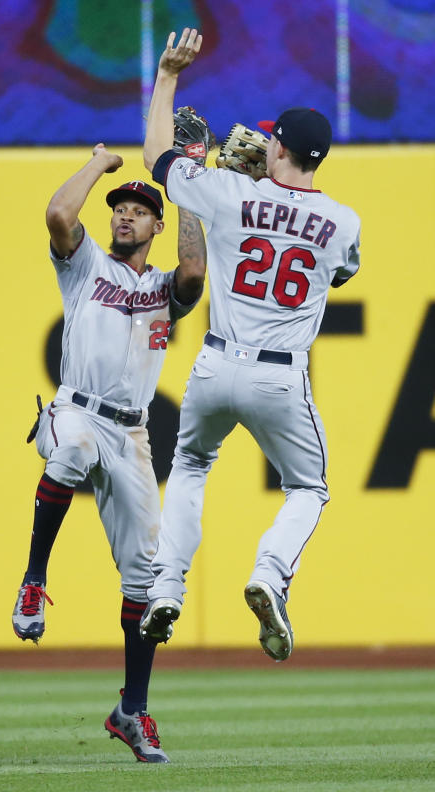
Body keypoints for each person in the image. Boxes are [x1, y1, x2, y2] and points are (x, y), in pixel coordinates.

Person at [139, 29, 361, 662]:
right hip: (280, 379)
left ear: (283, 146)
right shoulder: (345, 222)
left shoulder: (231, 193)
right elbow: (340, 272)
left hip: (214, 364)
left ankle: (167, 587)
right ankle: (269, 575)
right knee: (309, 489)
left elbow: (157, 153)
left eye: (270, 138)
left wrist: (168, 77)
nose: (259, 142)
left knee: (188, 466)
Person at [11, 144, 206, 763]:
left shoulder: (159, 288)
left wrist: (190, 195)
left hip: (133, 435)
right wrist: (99, 165)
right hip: (77, 408)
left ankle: (132, 711)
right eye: (120, 208)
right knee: (68, 449)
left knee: (147, 583)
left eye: (139, 210)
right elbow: (59, 217)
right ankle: (34, 580)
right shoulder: (85, 264)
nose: (125, 215)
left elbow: (195, 275)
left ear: (156, 225)